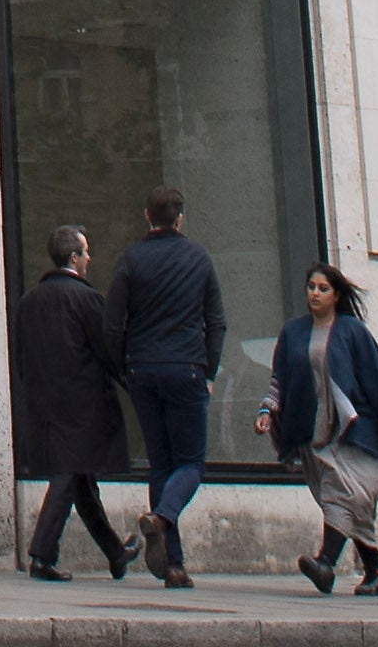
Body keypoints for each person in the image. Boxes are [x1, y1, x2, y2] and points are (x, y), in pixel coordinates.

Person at [258, 262, 378, 594]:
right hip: (312, 431)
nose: (315, 293)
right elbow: (279, 380)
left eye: (323, 288)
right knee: (352, 504)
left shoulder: (352, 331)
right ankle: (375, 574)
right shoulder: (293, 332)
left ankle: (325, 563)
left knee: (344, 495)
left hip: (354, 431)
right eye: (311, 286)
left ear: (336, 295)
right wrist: (268, 411)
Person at [8, 223, 136, 582]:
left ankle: (115, 553)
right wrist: (131, 382)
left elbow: (21, 357)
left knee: (81, 481)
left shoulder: (29, 301)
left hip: (44, 406)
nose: (90, 258)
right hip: (82, 406)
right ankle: (42, 555)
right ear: (74, 257)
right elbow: (110, 349)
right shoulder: (86, 299)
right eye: (86, 251)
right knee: (68, 477)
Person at [111, 186, 224, 589]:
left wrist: (124, 368)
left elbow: (114, 322)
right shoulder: (199, 257)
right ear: (180, 218)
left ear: (147, 216)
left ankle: (174, 564)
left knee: (161, 463)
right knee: (191, 464)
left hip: (142, 370)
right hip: (187, 369)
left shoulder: (130, 259)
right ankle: (162, 519)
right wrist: (209, 372)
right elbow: (217, 321)